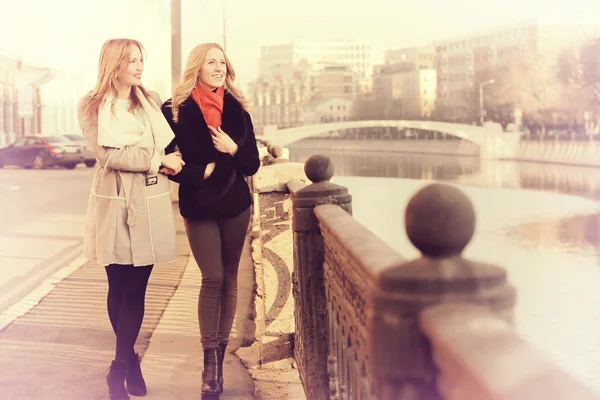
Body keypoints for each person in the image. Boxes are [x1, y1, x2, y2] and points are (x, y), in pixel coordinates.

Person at [77, 38, 185, 400]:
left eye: (142, 59)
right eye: (132, 60)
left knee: (138, 286)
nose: (139, 66)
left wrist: (173, 159)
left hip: (149, 198)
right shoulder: (91, 105)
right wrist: (157, 160)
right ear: (114, 64)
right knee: (118, 283)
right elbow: (107, 155)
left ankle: (121, 364)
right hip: (113, 200)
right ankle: (128, 361)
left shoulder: (149, 99)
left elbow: (165, 146)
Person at [161, 43, 260, 397]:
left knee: (230, 277)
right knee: (212, 277)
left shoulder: (239, 112)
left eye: (222, 62)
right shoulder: (173, 111)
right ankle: (208, 358)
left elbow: (251, 164)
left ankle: (216, 365)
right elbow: (167, 162)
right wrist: (200, 172)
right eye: (211, 62)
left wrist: (232, 149)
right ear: (196, 68)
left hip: (236, 204)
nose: (218, 67)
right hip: (199, 204)